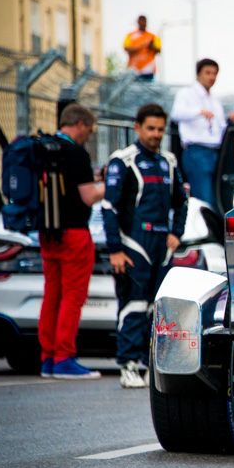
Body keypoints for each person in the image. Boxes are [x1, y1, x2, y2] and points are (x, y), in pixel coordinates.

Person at [103, 103, 188, 388]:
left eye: (161, 129)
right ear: (137, 127)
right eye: (150, 128)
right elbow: (109, 207)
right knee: (134, 306)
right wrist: (115, 248)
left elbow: (182, 202)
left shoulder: (170, 161)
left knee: (159, 309)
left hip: (162, 248)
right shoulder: (122, 160)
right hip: (133, 246)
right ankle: (128, 366)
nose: (156, 134)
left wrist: (177, 233)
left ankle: (152, 365)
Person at [39, 104, 105, 380]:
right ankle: (65, 357)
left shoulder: (45, 148)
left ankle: (48, 358)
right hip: (75, 233)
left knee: (52, 295)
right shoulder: (76, 153)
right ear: (79, 123)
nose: (88, 136)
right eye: (89, 130)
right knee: (73, 297)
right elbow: (88, 197)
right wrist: (111, 184)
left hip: (47, 231)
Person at [170, 58, 225, 213]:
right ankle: (206, 233)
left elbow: (221, 126)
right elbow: (176, 114)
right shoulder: (187, 94)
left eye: (214, 73)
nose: (211, 77)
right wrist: (198, 112)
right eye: (208, 73)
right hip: (197, 151)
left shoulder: (215, 101)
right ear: (198, 74)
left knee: (215, 197)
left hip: (215, 152)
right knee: (204, 198)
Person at [123, 16, 161, 81]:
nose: (143, 23)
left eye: (144, 22)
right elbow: (126, 48)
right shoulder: (131, 35)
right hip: (134, 70)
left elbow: (158, 50)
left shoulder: (153, 36)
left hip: (149, 70)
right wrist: (142, 46)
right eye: (141, 21)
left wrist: (151, 46)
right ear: (138, 22)